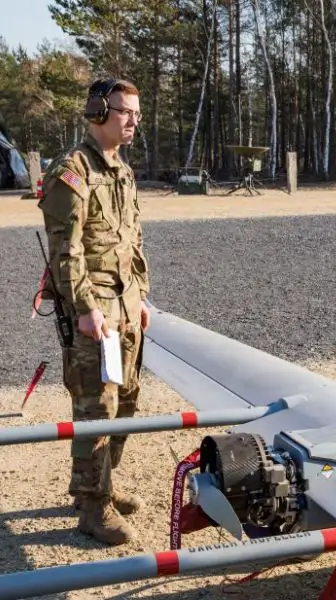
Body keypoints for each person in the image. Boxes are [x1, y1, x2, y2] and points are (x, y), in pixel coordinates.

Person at [38, 78, 150, 545]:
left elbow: (132, 241)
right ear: (98, 112)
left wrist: (140, 297)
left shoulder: (122, 170)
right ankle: (92, 505)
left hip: (125, 307)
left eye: (137, 114)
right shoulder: (72, 170)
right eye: (125, 112)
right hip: (95, 314)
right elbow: (66, 250)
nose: (133, 121)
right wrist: (84, 308)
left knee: (127, 401)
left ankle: (103, 481)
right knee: (95, 407)